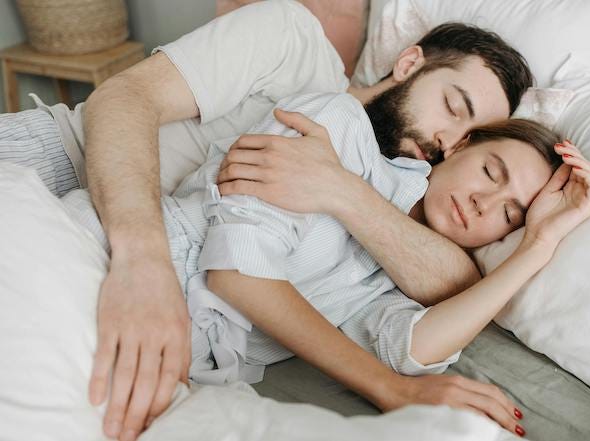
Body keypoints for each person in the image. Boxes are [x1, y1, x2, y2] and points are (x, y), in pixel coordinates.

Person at [1, 2, 536, 439]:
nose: (447, 142)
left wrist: (541, 242)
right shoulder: (297, 53)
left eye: (469, 139)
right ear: (409, 63)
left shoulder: (382, 202)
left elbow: (446, 294)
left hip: (132, 253)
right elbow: (122, 97)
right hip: (56, 163)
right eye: (453, 105)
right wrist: (143, 263)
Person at [60, 87, 590, 440]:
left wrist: (538, 246)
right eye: (491, 172)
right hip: (93, 261)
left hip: (156, 363)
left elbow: (418, 349)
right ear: (457, 147)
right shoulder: (334, 129)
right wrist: (392, 391)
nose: (484, 203)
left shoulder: (404, 284)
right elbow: (236, 273)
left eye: (509, 215)